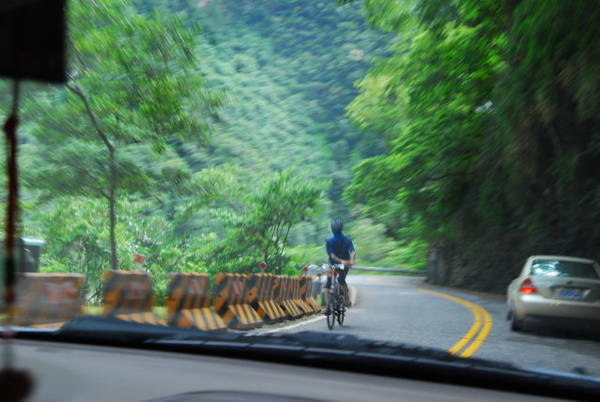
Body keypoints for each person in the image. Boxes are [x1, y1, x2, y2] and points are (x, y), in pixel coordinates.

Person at [323, 219, 355, 312]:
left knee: (329, 283)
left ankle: (327, 304)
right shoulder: (347, 239)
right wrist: (350, 260)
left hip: (334, 264)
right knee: (340, 280)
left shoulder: (329, 240)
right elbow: (352, 251)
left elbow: (332, 255)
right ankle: (346, 298)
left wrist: (350, 260)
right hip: (341, 264)